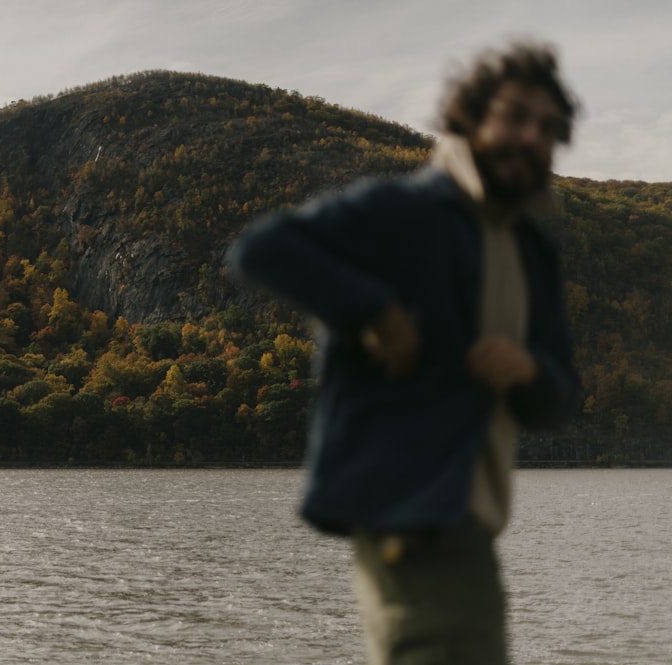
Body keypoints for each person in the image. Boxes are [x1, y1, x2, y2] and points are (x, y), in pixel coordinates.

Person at [227, 42, 579, 664]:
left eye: (548, 128)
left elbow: (560, 397)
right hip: (407, 513)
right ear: (469, 116)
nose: (531, 136)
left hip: (468, 521)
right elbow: (265, 248)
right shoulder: (405, 211)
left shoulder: (534, 255)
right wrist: (378, 313)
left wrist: (528, 370)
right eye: (515, 115)